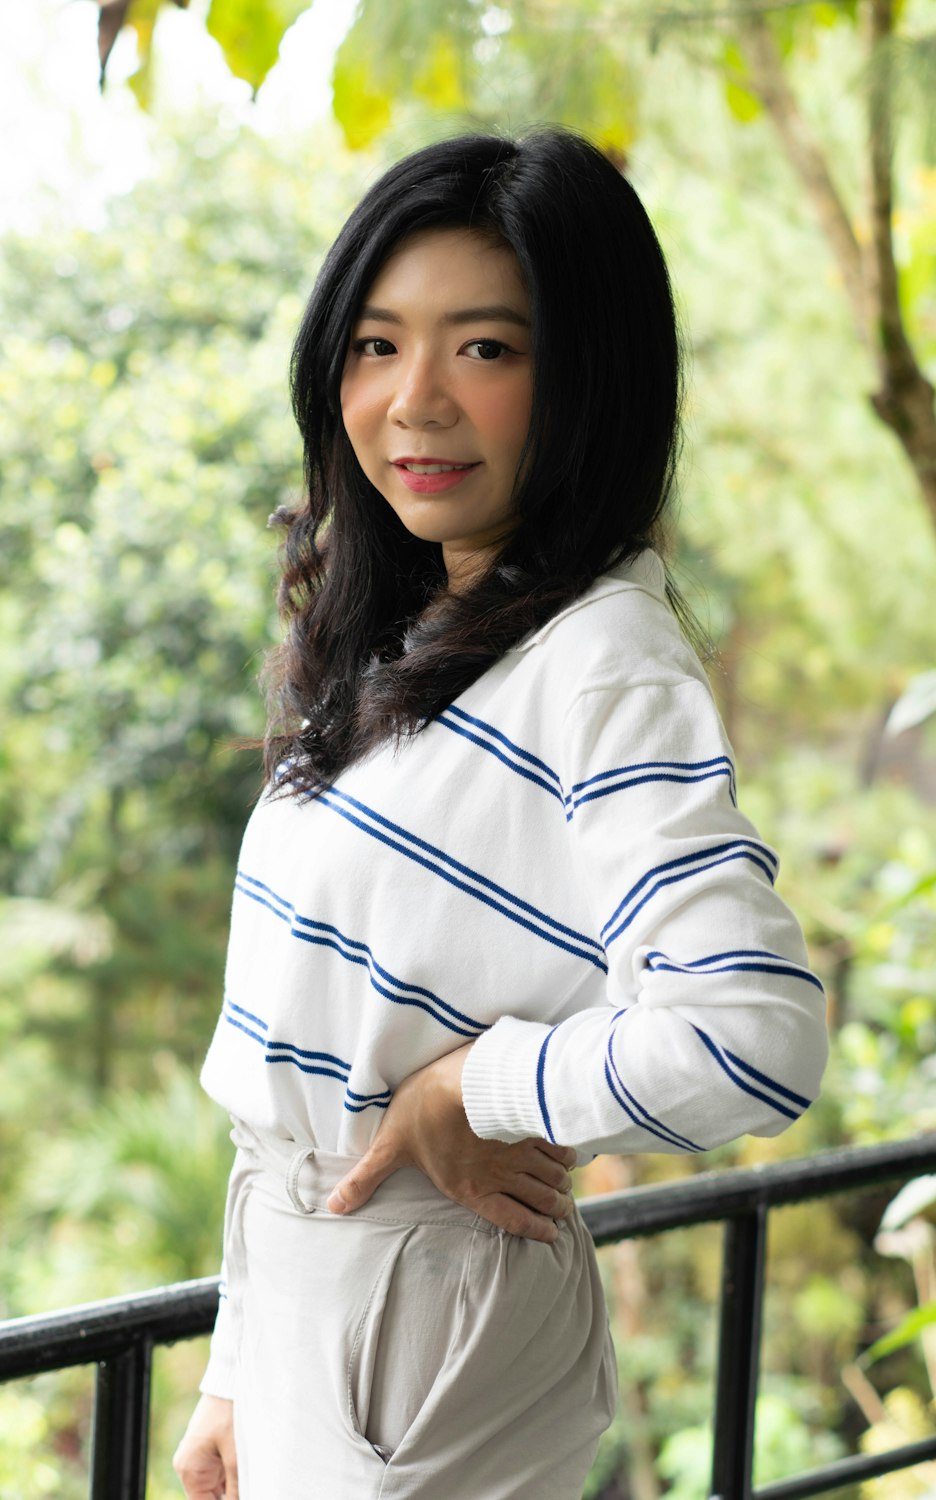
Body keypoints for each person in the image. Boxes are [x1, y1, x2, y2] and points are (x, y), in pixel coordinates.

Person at [173, 127, 829, 1500]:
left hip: (423, 1316)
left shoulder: (600, 657)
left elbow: (752, 1037)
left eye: (485, 347)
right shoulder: (416, 630)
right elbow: (303, 1040)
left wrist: (475, 1086)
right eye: (374, 343)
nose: (413, 401)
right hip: (316, 1294)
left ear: (589, 376)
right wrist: (242, 1363)